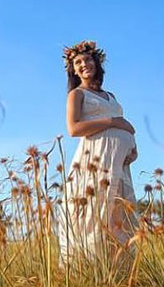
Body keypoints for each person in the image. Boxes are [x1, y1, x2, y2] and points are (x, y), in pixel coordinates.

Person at [59, 40, 138, 262]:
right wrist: (114, 121)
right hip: (95, 159)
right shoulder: (77, 94)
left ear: (96, 62)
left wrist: (132, 148)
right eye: (78, 62)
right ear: (73, 69)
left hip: (118, 164)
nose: (84, 64)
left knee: (119, 215)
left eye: (87, 59)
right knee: (95, 214)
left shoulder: (110, 95)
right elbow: (74, 128)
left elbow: (122, 128)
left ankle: (121, 272)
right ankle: (91, 268)